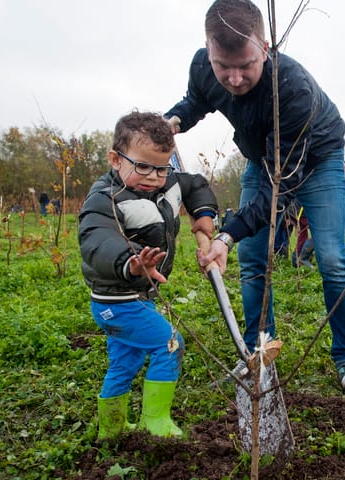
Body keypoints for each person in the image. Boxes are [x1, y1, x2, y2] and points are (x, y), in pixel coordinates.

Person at [166, 0, 345, 406]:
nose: (234, 78)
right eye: (223, 66)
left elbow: (281, 187)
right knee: (253, 258)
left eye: (245, 65)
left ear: (265, 47)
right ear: (209, 50)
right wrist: (172, 121)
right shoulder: (204, 67)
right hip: (264, 157)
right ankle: (258, 352)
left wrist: (227, 235)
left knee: (332, 259)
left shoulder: (292, 89)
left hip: (317, 158)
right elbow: (197, 100)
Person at [78, 111, 218, 439]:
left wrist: (204, 214)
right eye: (143, 167)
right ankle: (155, 422)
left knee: (125, 361)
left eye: (162, 168)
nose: (154, 177)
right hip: (116, 300)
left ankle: (111, 428)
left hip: (139, 297)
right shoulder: (105, 198)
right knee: (170, 344)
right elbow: (96, 240)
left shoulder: (166, 181)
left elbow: (194, 184)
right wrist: (130, 263)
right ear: (116, 159)